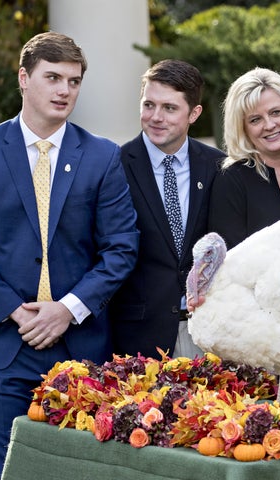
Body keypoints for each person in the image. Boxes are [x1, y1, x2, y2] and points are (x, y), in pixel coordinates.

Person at [0, 32, 139, 480]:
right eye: (52, 77)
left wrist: (67, 311)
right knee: (8, 471)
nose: (64, 90)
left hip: (80, 348)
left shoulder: (102, 155)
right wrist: (20, 313)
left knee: (78, 472)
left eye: (73, 81)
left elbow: (121, 248)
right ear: (24, 79)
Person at [110, 59, 225, 360]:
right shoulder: (113, 166)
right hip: (138, 339)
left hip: (210, 335)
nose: (155, 117)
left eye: (169, 108)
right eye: (149, 105)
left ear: (194, 113)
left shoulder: (219, 167)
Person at [207, 67, 280, 249]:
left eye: (275, 112)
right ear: (242, 128)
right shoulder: (232, 181)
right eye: (255, 120)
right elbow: (230, 263)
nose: (269, 125)